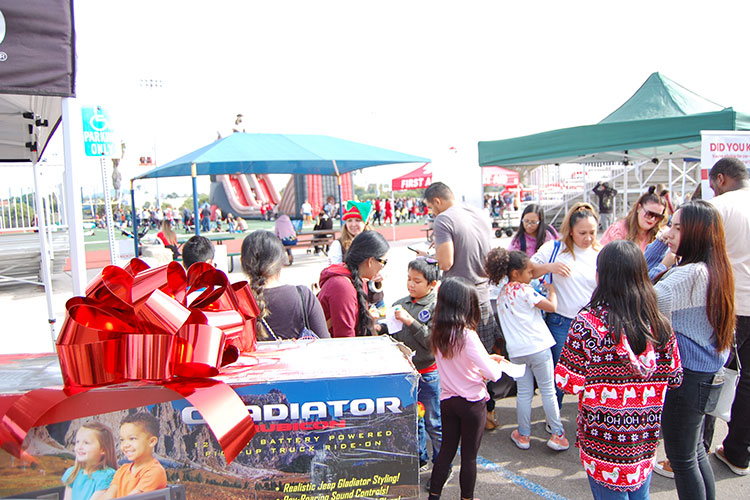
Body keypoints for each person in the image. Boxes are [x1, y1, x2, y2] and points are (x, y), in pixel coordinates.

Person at [556, 240, 682, 499]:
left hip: (602, 441)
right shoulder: (661, 325)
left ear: (600, 276)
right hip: (643, 438)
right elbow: (675, 377)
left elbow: (568, 382)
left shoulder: (588, 325)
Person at [653, 200, 735, 500]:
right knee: (695, 450)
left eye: (677, 227)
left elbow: (649, 292)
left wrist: (657, 251)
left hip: (686, 375)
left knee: (682, 456)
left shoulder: (689, 273)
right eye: (670, 225)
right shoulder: (712, 266)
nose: (668, 233)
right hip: (703, 372)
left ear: (697, 233)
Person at [427, 277, 505, 500]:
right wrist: (494, 364)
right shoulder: (467, 335)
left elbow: (456, 362)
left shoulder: (438, 332)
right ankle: (467, 498)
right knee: (469, 457)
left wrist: (482, 362)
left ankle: (433, 496)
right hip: (471, 402)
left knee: (445, 453)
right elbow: (493, 374)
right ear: (465, 305)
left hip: (448, 400)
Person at [485, 248, 568, 452]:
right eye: (529, 272)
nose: (532, 276)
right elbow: (551, 307)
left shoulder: (503, 294)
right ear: (515, 273)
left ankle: (523, 435)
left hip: (517, 352)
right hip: (538, 348)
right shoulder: (525, 291)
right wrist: (553, 290)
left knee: (524, 393)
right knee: (548, 390)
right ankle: (557, 434)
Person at [530, 202, 600, 407]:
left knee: (592, 375)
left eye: (592, 233)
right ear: (570, 232)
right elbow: (527, 270)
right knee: (560, 375)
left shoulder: (600, 252)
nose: (588, 238)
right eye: (582, 233)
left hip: (592, 323)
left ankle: (588, 417)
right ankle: (555, 418)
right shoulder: (553, 248)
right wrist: (549, 267)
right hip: (561, 322)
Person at [379, 258, 442, 471]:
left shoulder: (436, 307)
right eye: (408, 279)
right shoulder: (402, 303)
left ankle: (442, 465)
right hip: (406, 373)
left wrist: (410, 321)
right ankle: (420, 459)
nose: (411, 284)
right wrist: (378, 325)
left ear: (432, 285)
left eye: (417, 281)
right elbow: (390, 333)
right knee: (413, 419)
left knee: (434, 422)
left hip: (428, 373)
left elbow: (432, 343)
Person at [708, 157, 750, 476]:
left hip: (728, 306)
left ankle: (694, 452)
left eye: (712, 184)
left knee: (710, 375)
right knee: (747, 382)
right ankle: (738, 452)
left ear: (721, 179)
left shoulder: (719, 207)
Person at [241, 230, 329, 340]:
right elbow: (325, 344)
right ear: (281, 261)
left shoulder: (235, 302)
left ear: (243, 263)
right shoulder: (303, 296)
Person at [318, 231, 389, 337]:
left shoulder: (358, 280)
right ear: (370, 261)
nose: (382, 267)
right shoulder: (342, 286)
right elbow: (344, 338)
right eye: (383, 262)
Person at [101, 412, 167, 499]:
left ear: (151, 442)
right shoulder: (122, 470)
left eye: (132, 438)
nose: (125, 445)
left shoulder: (154, 471)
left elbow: (133, 498)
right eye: (122, 440)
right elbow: (108, 496)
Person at [600, 187, 666, 252]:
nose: (653, 219)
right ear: (639, 207)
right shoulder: (617, 231)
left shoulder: (662, 235)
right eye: (650, 214)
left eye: (658, 216)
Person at [62, 422, 117, 500]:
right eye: (77, 442)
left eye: (86, 443)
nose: (79, 447)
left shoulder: (106, 476)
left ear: (103, 449)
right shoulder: (72, 473)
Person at [328, 201, 371, 265]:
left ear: (365, 223)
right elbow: (334, 270)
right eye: (349, 221)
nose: (353, 224)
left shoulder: (372, 241)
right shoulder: (338, 244)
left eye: (357, 220)